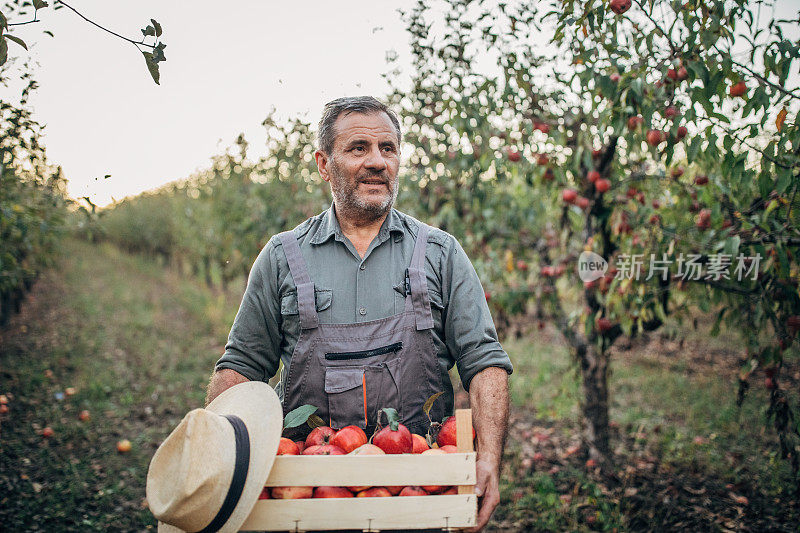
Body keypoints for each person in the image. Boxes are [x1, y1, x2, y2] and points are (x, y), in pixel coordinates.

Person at [206, 96, 512, 532]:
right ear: (323, 164)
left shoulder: (440, 253)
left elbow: (485, 364)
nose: (377, 161)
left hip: (419, 494)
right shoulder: (282, 257)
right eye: (358, 148)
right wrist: (214, 461)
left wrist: (487, 461)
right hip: (305, 499)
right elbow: (240, 368)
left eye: (388, 149)